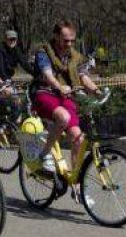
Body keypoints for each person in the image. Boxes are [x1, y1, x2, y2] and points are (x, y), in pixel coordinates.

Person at [32, 20, 101, 202]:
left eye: (72, 40)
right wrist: (58, 85)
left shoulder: (74, 56)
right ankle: (44, 153)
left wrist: (95, 90)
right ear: (56, 37)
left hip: (65, 96)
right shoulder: (44, 52)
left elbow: (83, 76)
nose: (69, 44)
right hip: (44, 93)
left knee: (79, 138)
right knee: (62, 117)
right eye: (65, 40)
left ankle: (76, 186)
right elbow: (47, 74)